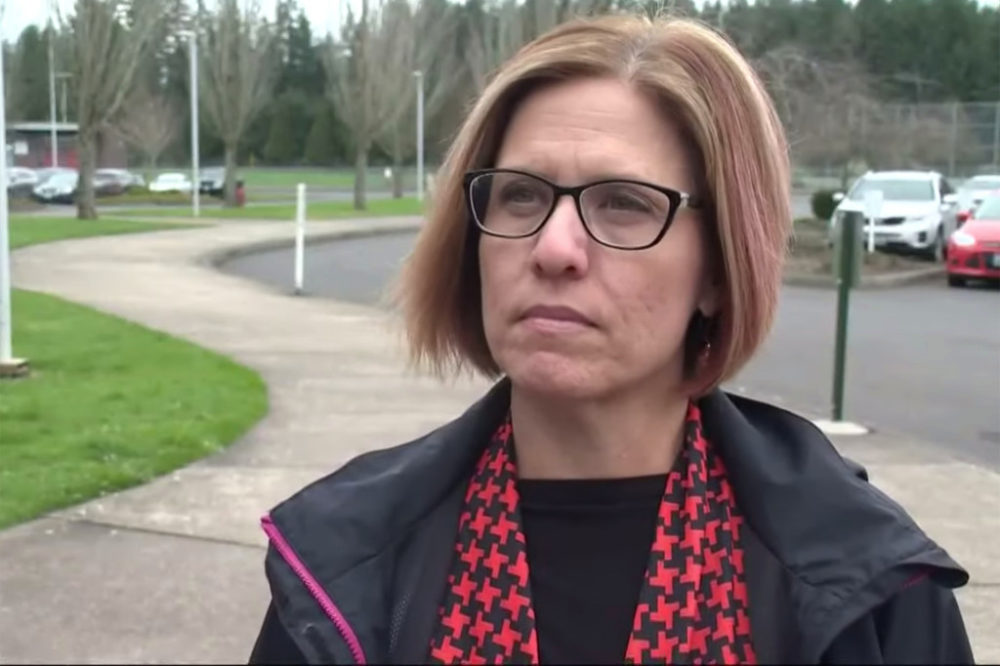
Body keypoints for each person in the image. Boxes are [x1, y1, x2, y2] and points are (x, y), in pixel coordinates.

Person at [249, 14, 973, 665]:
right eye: (521, 194)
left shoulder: (864, 580)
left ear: (718, 270)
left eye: (623, 203)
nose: (552, 248)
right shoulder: (343, 565)